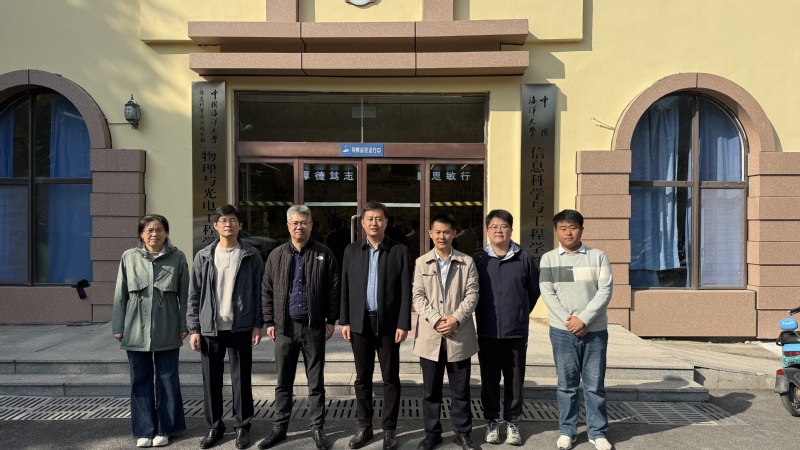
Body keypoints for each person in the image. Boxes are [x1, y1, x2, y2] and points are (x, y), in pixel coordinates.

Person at [259, 205, 340, 450]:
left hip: (313, 327)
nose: (299, 227)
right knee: (283, 382)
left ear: (311, 225)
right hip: (285, 328)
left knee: (315, 382)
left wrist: (331, 320)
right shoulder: (276, 255)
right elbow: (267, 290)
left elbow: (334, 289)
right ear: (288, 226)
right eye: (295, 223)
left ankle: (317, 428)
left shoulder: (324, 253)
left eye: (304, 223)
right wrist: (270, 321)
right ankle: (279, 428)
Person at [187, 204, 265, 450]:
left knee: (241, 379)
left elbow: (260, 292)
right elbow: (194, 294)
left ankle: (243, 426)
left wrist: (258, 325)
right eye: (224, 220)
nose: (228, 224)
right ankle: (214, 426)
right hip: (210, 328)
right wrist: (194, 328)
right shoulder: (203, 256)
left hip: (240, 326)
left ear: (240, 225)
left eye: (233, 220)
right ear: (216, 226)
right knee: (211, 380)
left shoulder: (251, 255)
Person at [340, 201, 412, 450]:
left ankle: (390, 429)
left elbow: (405, 290)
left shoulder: (399, 251)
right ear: (362, 223)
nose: (374, 223)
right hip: (360, 322)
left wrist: (403, 323)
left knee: (390, 378)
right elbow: (345, 287)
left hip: (389, 323)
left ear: (386, 222)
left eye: (379, 218)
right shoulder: (351, 251)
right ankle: (365, 427)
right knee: (363, 378)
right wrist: (345, 320)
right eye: (369, 218)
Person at [112, 214, 189, 448]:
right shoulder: (129, 257)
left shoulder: (177, 257)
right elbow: (120, 294)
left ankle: (166, 428)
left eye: (159, 230)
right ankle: (144, 430)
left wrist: (184, 325)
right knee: (140, 379)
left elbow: (185, 295)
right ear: (141, 234)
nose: (154, 234)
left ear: (166, 233)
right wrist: (118, 326)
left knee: (167, 379)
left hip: (167, 326)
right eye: (149, 230)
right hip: (136, 328)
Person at [539, 209, 613, 450]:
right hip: (562, 331)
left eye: (573, 227)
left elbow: (605, 291)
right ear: (556, 231)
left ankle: (597, 432)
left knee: (594, 385)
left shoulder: (598, 256)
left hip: (595, 331)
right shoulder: (548, 259)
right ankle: (567, 431)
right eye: (563, 228)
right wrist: (569, 321)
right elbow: (547, 293)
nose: (568, 232)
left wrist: (584, 320)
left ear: (581, 229)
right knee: (566, 384)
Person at [412, 214, 480, 450]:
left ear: (454, 233)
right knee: (431, 391)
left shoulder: (467, 262)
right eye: (437, 232)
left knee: (460, 390)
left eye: (446, 232)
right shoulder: (421, 263)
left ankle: (463, 433)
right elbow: (417, 296)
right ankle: (432, 434)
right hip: (430, 336)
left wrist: (455, 319)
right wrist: (436, 320)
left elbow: (472, 294)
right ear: (430, 234)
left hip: (459, 335)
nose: (442, 236)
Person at [473, 209, 539, 446]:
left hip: (515, 331)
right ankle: (492, 421)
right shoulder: (478, 260)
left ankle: (512, 422)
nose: (499, 230)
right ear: (487, 230)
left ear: (511, 229)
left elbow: (533, 292)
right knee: (489, 379)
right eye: (494, 226)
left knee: (514, 380)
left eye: (504, 226)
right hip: (487, 331)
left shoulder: (525, 259)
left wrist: (519, 313)